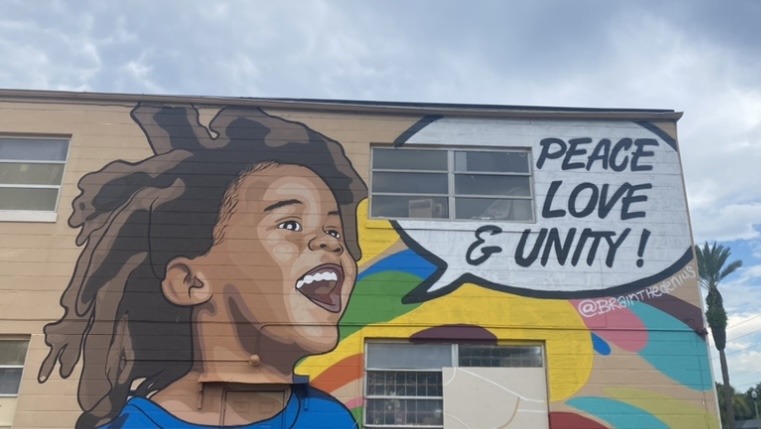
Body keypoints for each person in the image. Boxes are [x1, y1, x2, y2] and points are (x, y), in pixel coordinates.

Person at [37, 104, 366, 428]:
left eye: (334, 231)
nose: (331, 243)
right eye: (290, 224)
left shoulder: (331, 419)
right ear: (190, 283)